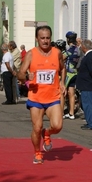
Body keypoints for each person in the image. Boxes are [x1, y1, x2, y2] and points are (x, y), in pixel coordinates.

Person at [17, 25, 66, 164]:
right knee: (36, 128)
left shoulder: (57, 53)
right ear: (36, 39)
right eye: (42, 38)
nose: (45, 41)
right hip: (36, 97)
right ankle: (37, 153)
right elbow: (20, 74)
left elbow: (63, 68)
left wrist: (62, 83)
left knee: (57, 126)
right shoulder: (31, 54)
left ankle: (48, 133)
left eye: (48, 38)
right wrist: (26, 76)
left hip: (53, 97)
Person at [76, 39, 92, 130]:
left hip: (88, 84)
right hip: (86, 84)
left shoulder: (90, 56)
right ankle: (89, 122)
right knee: (86, 104)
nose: (80, 48)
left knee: (89, 105)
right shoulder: (90, 55)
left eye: (81, 46)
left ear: (84, 47)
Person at [62, 31, 80, 120]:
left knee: (62, 93)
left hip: (68, 73)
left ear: (68, 39)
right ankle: (71, 113)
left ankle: (60, 112)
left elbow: (61, 57)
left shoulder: (70, 50)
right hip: (75, 73)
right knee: (71, 94)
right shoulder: (77, 49)